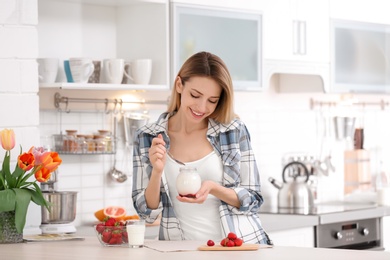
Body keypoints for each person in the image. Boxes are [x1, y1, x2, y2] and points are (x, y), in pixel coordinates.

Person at [132, 51, 272, 245]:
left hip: (236, 249)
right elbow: (146, 214)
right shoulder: (147, 137)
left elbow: (253, 200)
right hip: (178, 251)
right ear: (179, 84)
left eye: (212, 100)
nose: (202, 107)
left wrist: (214, 188)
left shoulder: (233, 131)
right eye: (195, 95)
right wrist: (157, 172)